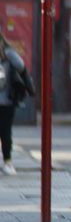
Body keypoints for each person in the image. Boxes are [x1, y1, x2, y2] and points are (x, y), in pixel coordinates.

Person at [0, 33, 31, 175]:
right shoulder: (10, 54)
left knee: (5, 132)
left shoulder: (10, 55)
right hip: (6, 100)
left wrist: (29, 89)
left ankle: (8, 162)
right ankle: (7, 162)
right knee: (5, 131)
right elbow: (23, 70)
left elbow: (22, 70)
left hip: (6, 101)